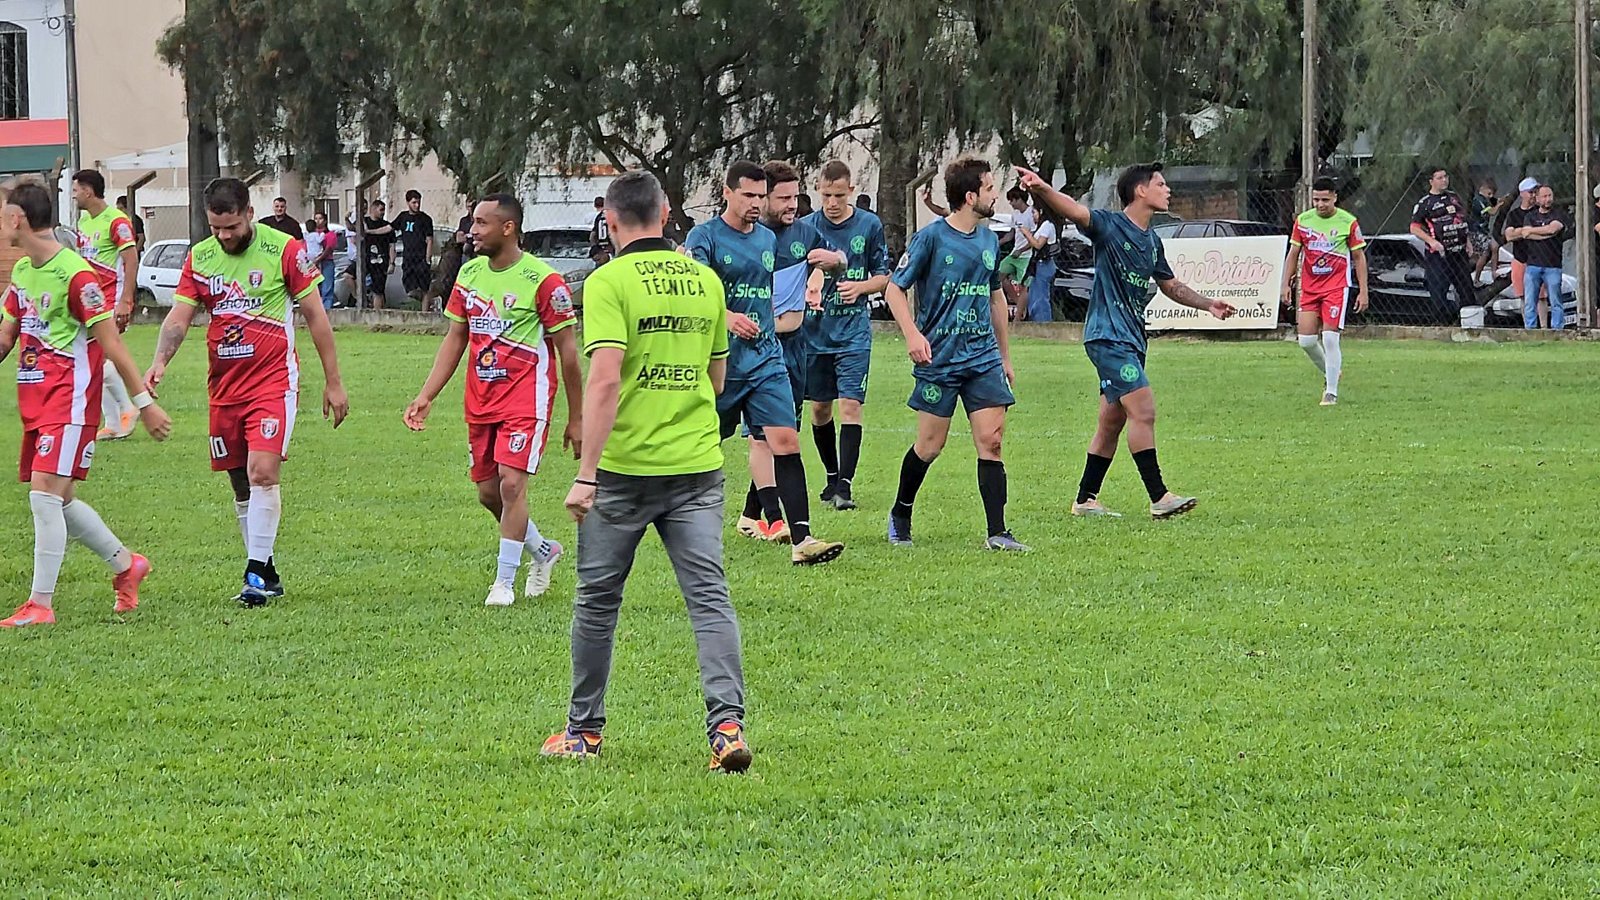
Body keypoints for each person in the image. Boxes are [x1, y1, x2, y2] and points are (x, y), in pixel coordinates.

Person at [542, 171, 752, 773]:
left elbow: (605, 377)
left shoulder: (607, 282)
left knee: (598, 601)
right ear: (665, 214)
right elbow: (717, 379)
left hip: (624, 472)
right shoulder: (705, 280)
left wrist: (586, 473)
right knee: (709, 599)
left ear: (610, 221)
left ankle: (583, 732)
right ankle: (727, 728)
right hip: (696, 468)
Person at [144, 177, 350, 607]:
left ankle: (254, 576)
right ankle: (266, 567)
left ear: (249, 214)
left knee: (262, 472)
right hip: (224, 387)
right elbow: (180, 318)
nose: (224, 236)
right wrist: (160, 362)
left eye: (231, 227)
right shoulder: (200, 258)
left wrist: (333, 381)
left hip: (273, 382)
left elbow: (315, 317)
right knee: (240, 482)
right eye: (216, 228)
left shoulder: (284, 250)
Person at [1017, 162, 1237, 520]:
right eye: (1161, 184)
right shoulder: (1110, 225)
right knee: (1144, 410)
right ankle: (1159, 496)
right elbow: (1072, 208)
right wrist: (1041, 188)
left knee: (1112, 421)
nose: (1168, 191)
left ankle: (1085, 500)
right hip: (1108, 336)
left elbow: (1171, 285)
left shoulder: (1151, 241)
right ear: (1140, 191)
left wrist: (1207, 304)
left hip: (1132, 338)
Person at [0, 182, 173, 628]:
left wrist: (144, 403)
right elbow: (6, 335)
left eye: (4, 215)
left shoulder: (77, 275)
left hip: (70, 402)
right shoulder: (22, 273)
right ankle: (125, 564)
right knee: (61, 498)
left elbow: (111, 345)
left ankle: (40, 604)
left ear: (17, 219)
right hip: (35, 403)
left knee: (43, 497)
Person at [404, 193, 584, 606]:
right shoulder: (469, 275)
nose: (472, 232)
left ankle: (503, 584)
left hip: (527, 398)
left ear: (508, 228)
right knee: (489, 494)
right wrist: (426, 395)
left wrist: (577, 418)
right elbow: (456, 339)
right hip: (480, 399)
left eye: (481, 223)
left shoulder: (543, 281)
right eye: (472, 223)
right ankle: (543, 550)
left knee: (512, 483)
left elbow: (569, 355)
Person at [684, 160, 844, 566]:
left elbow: (800, 273)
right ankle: (666, 518)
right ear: (728, 192)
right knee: (699, 444)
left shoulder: (767, 240)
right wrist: (724, 316)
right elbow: (693, 290)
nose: (756, 203)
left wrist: (820, 276)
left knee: (785, 439)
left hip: (767, 357)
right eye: (749, 195)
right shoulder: (704, 237)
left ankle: (802, 540)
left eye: (761, 196)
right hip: (720, 362)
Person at [883, 157, 1026, 551]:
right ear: (970, 196)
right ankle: (900, 513)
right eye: (990, 188)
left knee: (992, 441)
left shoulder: (988, 241)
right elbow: (894, 290)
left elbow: (996, 298)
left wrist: (1005, 357)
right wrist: (913, 335)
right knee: (930, 446)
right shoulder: (931, 238)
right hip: (939, 360)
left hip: (981, 359)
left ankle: (997, 532)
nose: (996, 194)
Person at [730, 160, 842, 540]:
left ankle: (752, 514)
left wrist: (825, 267)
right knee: (763, 436)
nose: (792, 204)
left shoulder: (804, 233)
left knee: (783, 434)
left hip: (796, 347)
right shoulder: (751, 238)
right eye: (783, 198)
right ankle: (775, 520)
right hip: (756, 347)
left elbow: (837, 259)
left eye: (796, 196)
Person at [806, 159, 890, 511]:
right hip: (814, 332)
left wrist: (861, 288)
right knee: (820, 409)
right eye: (826, 195)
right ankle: (830, 474)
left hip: (854, 332)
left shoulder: (869, 225)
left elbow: (884, 276)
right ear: (818, 191)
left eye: (839, 195)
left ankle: (845, 485)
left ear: (851, 190)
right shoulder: (806, 227)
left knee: (850, 405)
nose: (833, 202)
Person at [1280, 176, 1369, 406]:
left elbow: (1359, 258)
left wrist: (1363, 290)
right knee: (1306, 341)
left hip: (1336, 287)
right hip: (1309, 288)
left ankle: (1331, 392)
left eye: (1325, 200)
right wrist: (1285, 284)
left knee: (1330, 338)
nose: (1320, 204)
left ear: (1335, 198)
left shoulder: (1348, 222)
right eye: (1316, 199)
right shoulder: (1303, 221)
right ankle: (1332, 372)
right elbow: (1293, 254)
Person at [71, 169, 140, 442]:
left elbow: (131, 260)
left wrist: (126, 299)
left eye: (76, 189)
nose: (74, 194)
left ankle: (127, 408)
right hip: (89, 300)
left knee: (97, 357)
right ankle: (113, 421)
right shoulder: (84, 220)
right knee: (94, 357)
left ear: (88, 191)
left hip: (110, 301)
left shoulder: (117, 221)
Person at [1408, 168, 1475, 320]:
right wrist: (1432, 242)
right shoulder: (1425, 203)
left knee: (1466, 290)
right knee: (1439, 291)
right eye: (1439, 178)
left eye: (1445, 176)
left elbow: (1460, 220)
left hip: (1459, 252)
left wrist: (1468, 242)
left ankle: (1469, 322)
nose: (1444, 180)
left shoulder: (1453, 197)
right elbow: (1414, 228)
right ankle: (1442, 323)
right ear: (1431, 181)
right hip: (1439, 255)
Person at [1509, 184, 1571, 330]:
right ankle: (1530, 330)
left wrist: (1532, 231)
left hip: (1553, 265)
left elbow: (1552, 229)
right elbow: (1525, 235)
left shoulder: (1558, 214)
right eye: (1544, 196)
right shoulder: (1530, 216)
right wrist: (1537, 233)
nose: (1548, 199)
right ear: (1537, 198)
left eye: (1550, 195)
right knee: (1530, 300)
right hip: (1533, 265)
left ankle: (1557, 330)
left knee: (1555, 300)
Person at [1501, 177, 1541, 323]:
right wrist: (1526, 231)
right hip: (1520, 258)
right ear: (1523, 194)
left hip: (1538, 259)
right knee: (1523, 296)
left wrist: (1525, 232)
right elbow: (1509, 235)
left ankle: (1544, 327)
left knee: (1541, 296)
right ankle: (1528, 326)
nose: (1534, 195)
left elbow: (1544, 231)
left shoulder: (1540, 211)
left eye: (1536, 191)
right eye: (1531, 192)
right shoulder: (1514, 214)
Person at [391, 190, 435, 302]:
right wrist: (371, 231)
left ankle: (425, 313)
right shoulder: (403, 217)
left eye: (418, 202)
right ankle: (430, 301)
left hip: (421, 258)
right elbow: (389, 228)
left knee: (425, 288)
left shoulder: (425, 219)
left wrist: (427, 259)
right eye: (414, 202)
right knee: (410, 289)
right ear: (408, 202)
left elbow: (429, 240)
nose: (417, 205)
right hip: (408, 258)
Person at [1019, 206, 1059, 323]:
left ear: (1041, 211)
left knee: (1040, 297)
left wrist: (1027, 234)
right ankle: (1037, 320)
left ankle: (1043, 322)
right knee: (1035, 294)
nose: (1033, 216)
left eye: (1034, 213)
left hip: (1044, 264)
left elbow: (1038, 244)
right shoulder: (1042, 226)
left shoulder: (1047, 225)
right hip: (1039, 265)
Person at [997, 187, 1033, 309]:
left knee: (1024, 285)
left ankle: (1024, 308)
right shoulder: (1015, 215)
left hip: (1026, 256)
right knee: (999, 276)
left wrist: (1022, 250)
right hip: (1014, 254)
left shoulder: (1032, 214)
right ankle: (1018, 303)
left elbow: (1034, 239)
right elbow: (1010, 235)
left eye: (1012, 200)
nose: (1011, 203)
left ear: (1019, 199)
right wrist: (997, 243)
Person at [362, 199, 395, 309]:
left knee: (378, 290)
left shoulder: (387, 226)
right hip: (366, 259)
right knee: (348, 275)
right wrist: (347, 218)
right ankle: (363, 301)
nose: (383, 212)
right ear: (373, 209)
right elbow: (351, 228)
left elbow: (392, 246)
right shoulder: (364, 222)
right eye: (381, 210)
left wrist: (392, 262)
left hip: (381, 261)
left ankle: (377, 313)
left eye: (384, 210)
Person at [1469, 178, 1502, 284]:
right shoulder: (1478, 200)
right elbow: (1492, 212)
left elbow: (1495, 201)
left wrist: (1500, 200)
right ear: (1483, 189)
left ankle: (1494, 271)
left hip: (1484, 231)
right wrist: (1498, 206)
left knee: (1494, 247)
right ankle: (1477, 279)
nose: (1491, 196)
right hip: (1477, 231)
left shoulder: (1486, 199)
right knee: (1484, 253)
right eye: (1489, 193)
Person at [303, 212, 338, 311]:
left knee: (327, 286)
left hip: (326, 261)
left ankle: (327, 308)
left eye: (320, 218)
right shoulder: (310, 235)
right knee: (314, 286)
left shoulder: (329, 234)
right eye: (316, 218)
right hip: (312, 261)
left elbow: (329, 248)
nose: (318, 221)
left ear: (325, 221)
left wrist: (318, 259)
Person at [587, 195, 611, 265]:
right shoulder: (612, 215)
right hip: (610, 248)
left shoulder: (598, 217)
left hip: (600, 247)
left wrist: (594, 247)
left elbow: (592, 236)